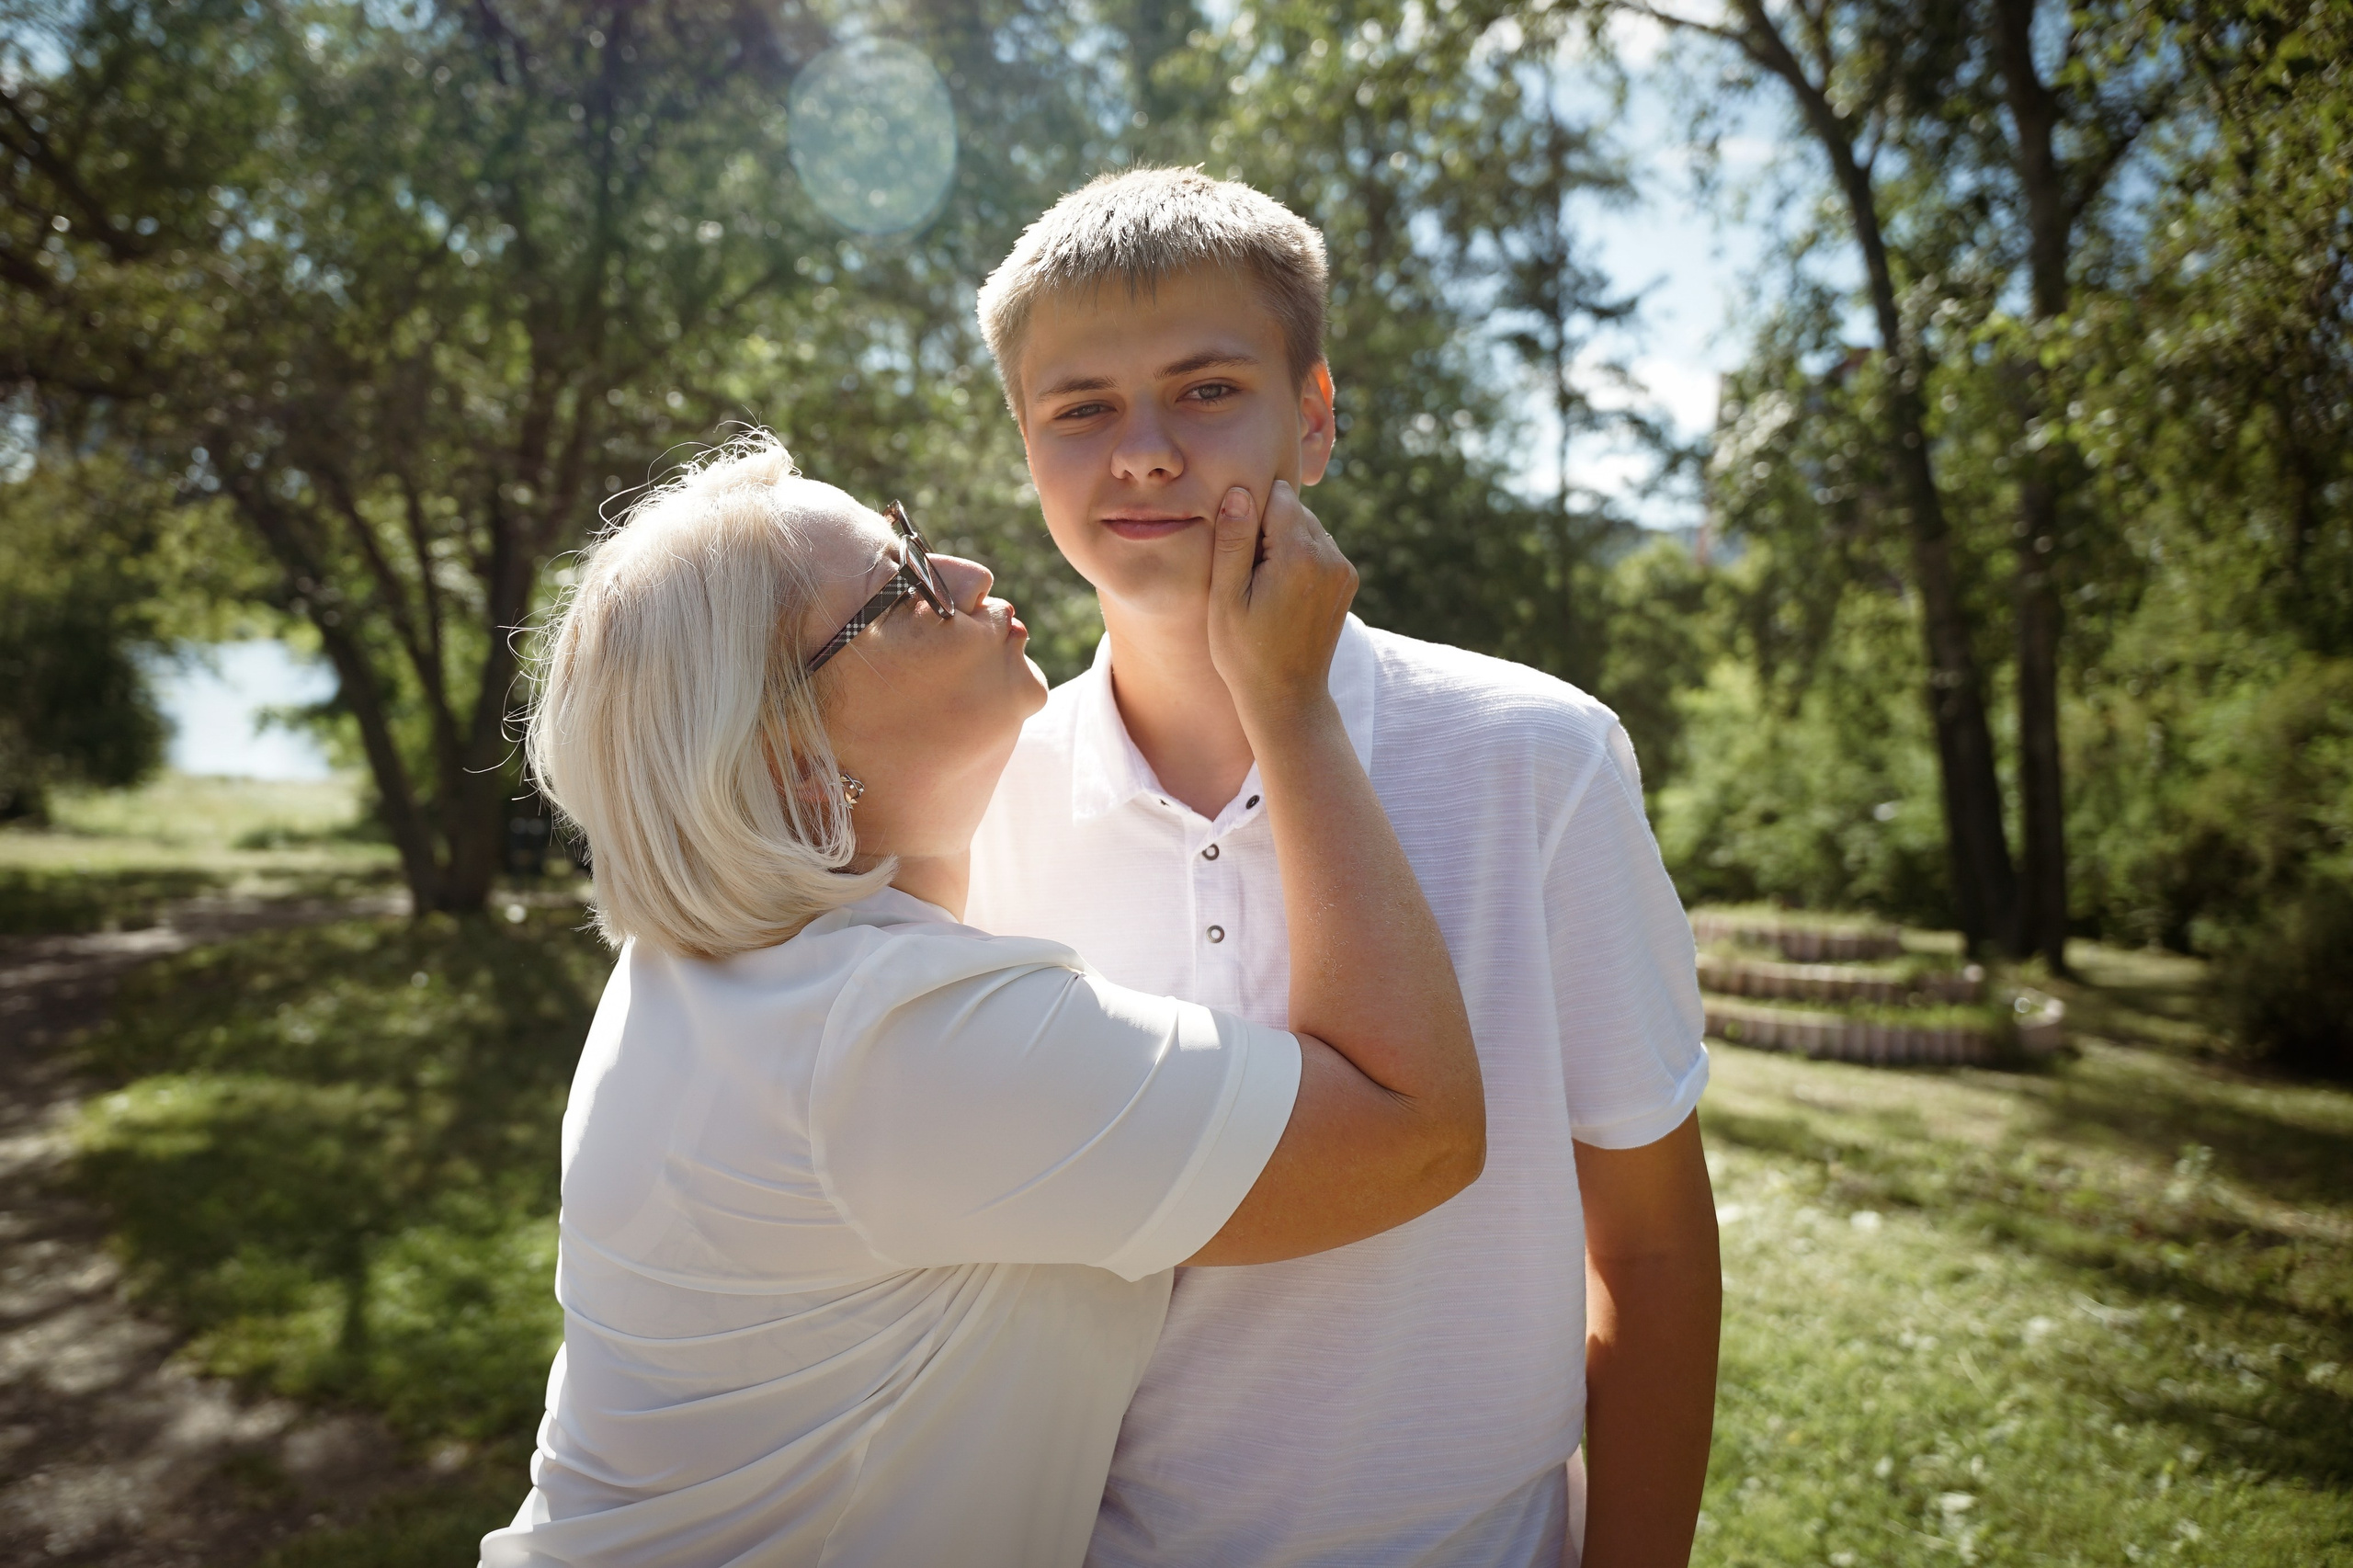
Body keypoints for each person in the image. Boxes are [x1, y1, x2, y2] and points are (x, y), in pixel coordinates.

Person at [478, 433, 1484, 1567]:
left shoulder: (704, 972)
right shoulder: (888, 1038)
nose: (964, 573)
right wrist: (1290, 702)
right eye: (901, 583)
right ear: (798, 760)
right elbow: (1416, 1132)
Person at [967, 167, 1722, 1568]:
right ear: (1028, 446)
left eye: (1206, 390)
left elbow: (1657, 1253)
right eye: (1082, 408)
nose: (1142, 452)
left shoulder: (1538, 759)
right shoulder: (976, 801)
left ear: (1312, 419)